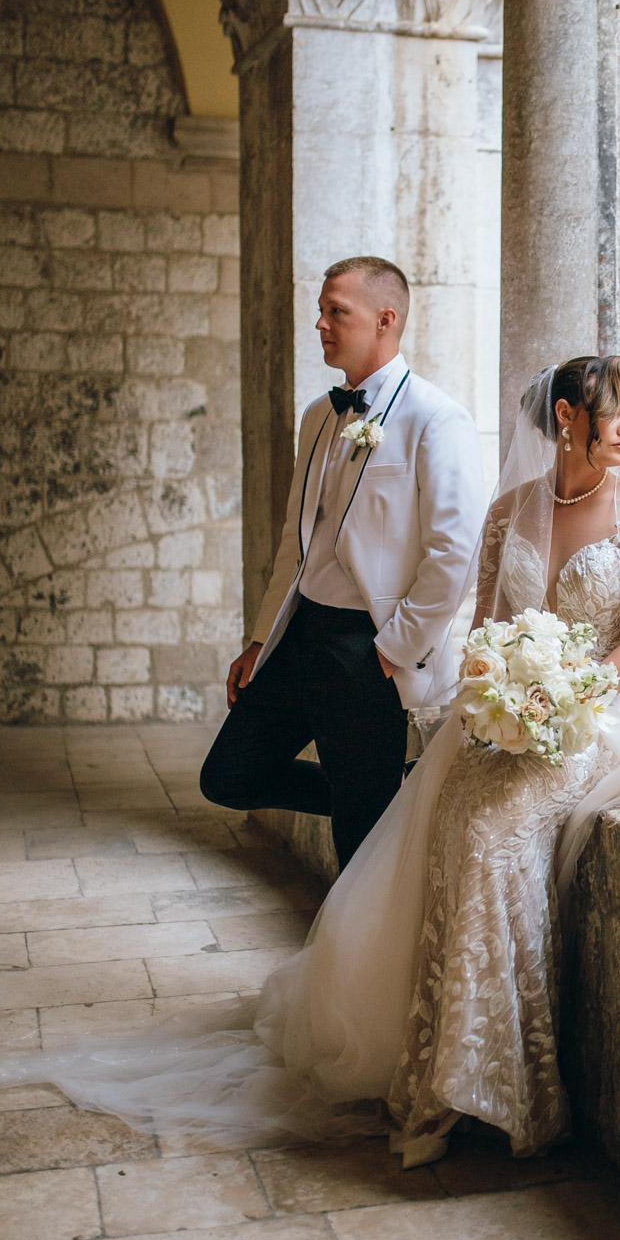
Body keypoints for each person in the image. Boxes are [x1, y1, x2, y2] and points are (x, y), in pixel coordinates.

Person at [0, 357, 620, 1167]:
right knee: (446, 817)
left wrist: (566, 693)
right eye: (618, 412)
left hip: (596, 709)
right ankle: (435, 1062)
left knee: (490, 835)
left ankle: (497, 1078)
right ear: (568, 417)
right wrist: (502, 690)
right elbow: (489, 624)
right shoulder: (508, 512)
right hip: (512, 707)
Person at [199, 254, 487, 872]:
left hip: (367, 648)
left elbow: (456, 554)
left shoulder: (437, 419)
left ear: (386, 320)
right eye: (321, 312)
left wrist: (391, 651)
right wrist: (261, 638)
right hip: (301, 635)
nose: (322, 325)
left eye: (337, 312)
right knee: (228, 775)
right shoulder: (318, 416)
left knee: (358, 843)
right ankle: (393, 790)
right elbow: (296, 541)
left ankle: (373, 822)